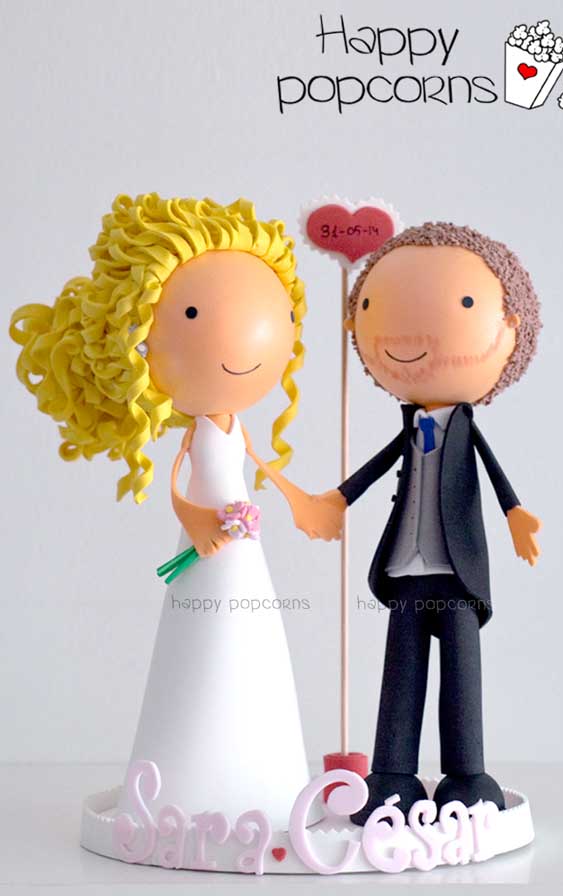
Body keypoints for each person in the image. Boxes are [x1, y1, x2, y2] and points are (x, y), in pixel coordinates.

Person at [9, 193, 339, 829]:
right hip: (212, 548)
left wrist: (303, 502)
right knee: (203, 647)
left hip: (244, 553)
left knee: (252, 644)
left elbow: (259, 465)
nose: (247, 336)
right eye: (191, 312)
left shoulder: (235, 423)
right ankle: (185, 789)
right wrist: (195, 521)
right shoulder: (197, 432)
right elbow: (178, 483)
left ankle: (266, 782)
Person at [306, 222, 543, 823]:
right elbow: (371, 471)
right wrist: (335, 500)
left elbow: (494, 475)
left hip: (457, 578)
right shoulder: (409, 429)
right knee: (401, 674)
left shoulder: (464, 429)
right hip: (407, 574)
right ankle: (392, 774)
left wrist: (515, 515)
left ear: (510, 330)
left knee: (462, 678)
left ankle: (467, 774)